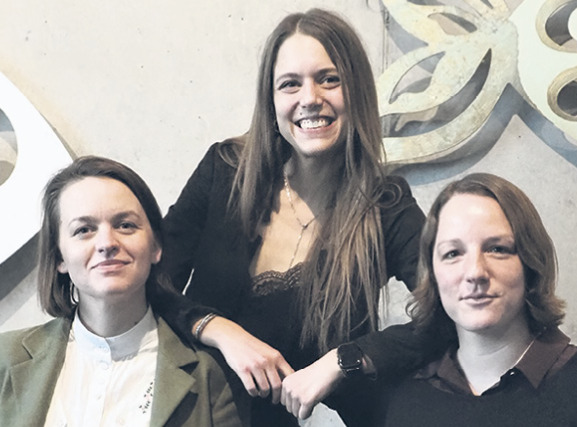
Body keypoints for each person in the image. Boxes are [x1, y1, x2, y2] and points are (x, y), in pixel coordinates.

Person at [161, 8, 427, 426]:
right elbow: (148, 283)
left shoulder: (385, 205)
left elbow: (449, 312)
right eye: (290, 84)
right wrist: (216, 328)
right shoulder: (224, 169)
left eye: (329, 79)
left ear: (356, 90)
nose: (310, 98)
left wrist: (346, 359)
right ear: (271, 101)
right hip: (183, 410)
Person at [0, 156, 244, 427]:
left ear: (156, 246)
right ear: (59, 257)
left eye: (125, 225)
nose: (107, 243)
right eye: (84, 230)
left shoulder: (209, 375)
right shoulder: (6, 358)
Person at [377, 173, 577, 426]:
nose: (475, 272)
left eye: (497, 249)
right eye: (452, 253)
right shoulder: (405, 402)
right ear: (432, 274)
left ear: (530, 263)